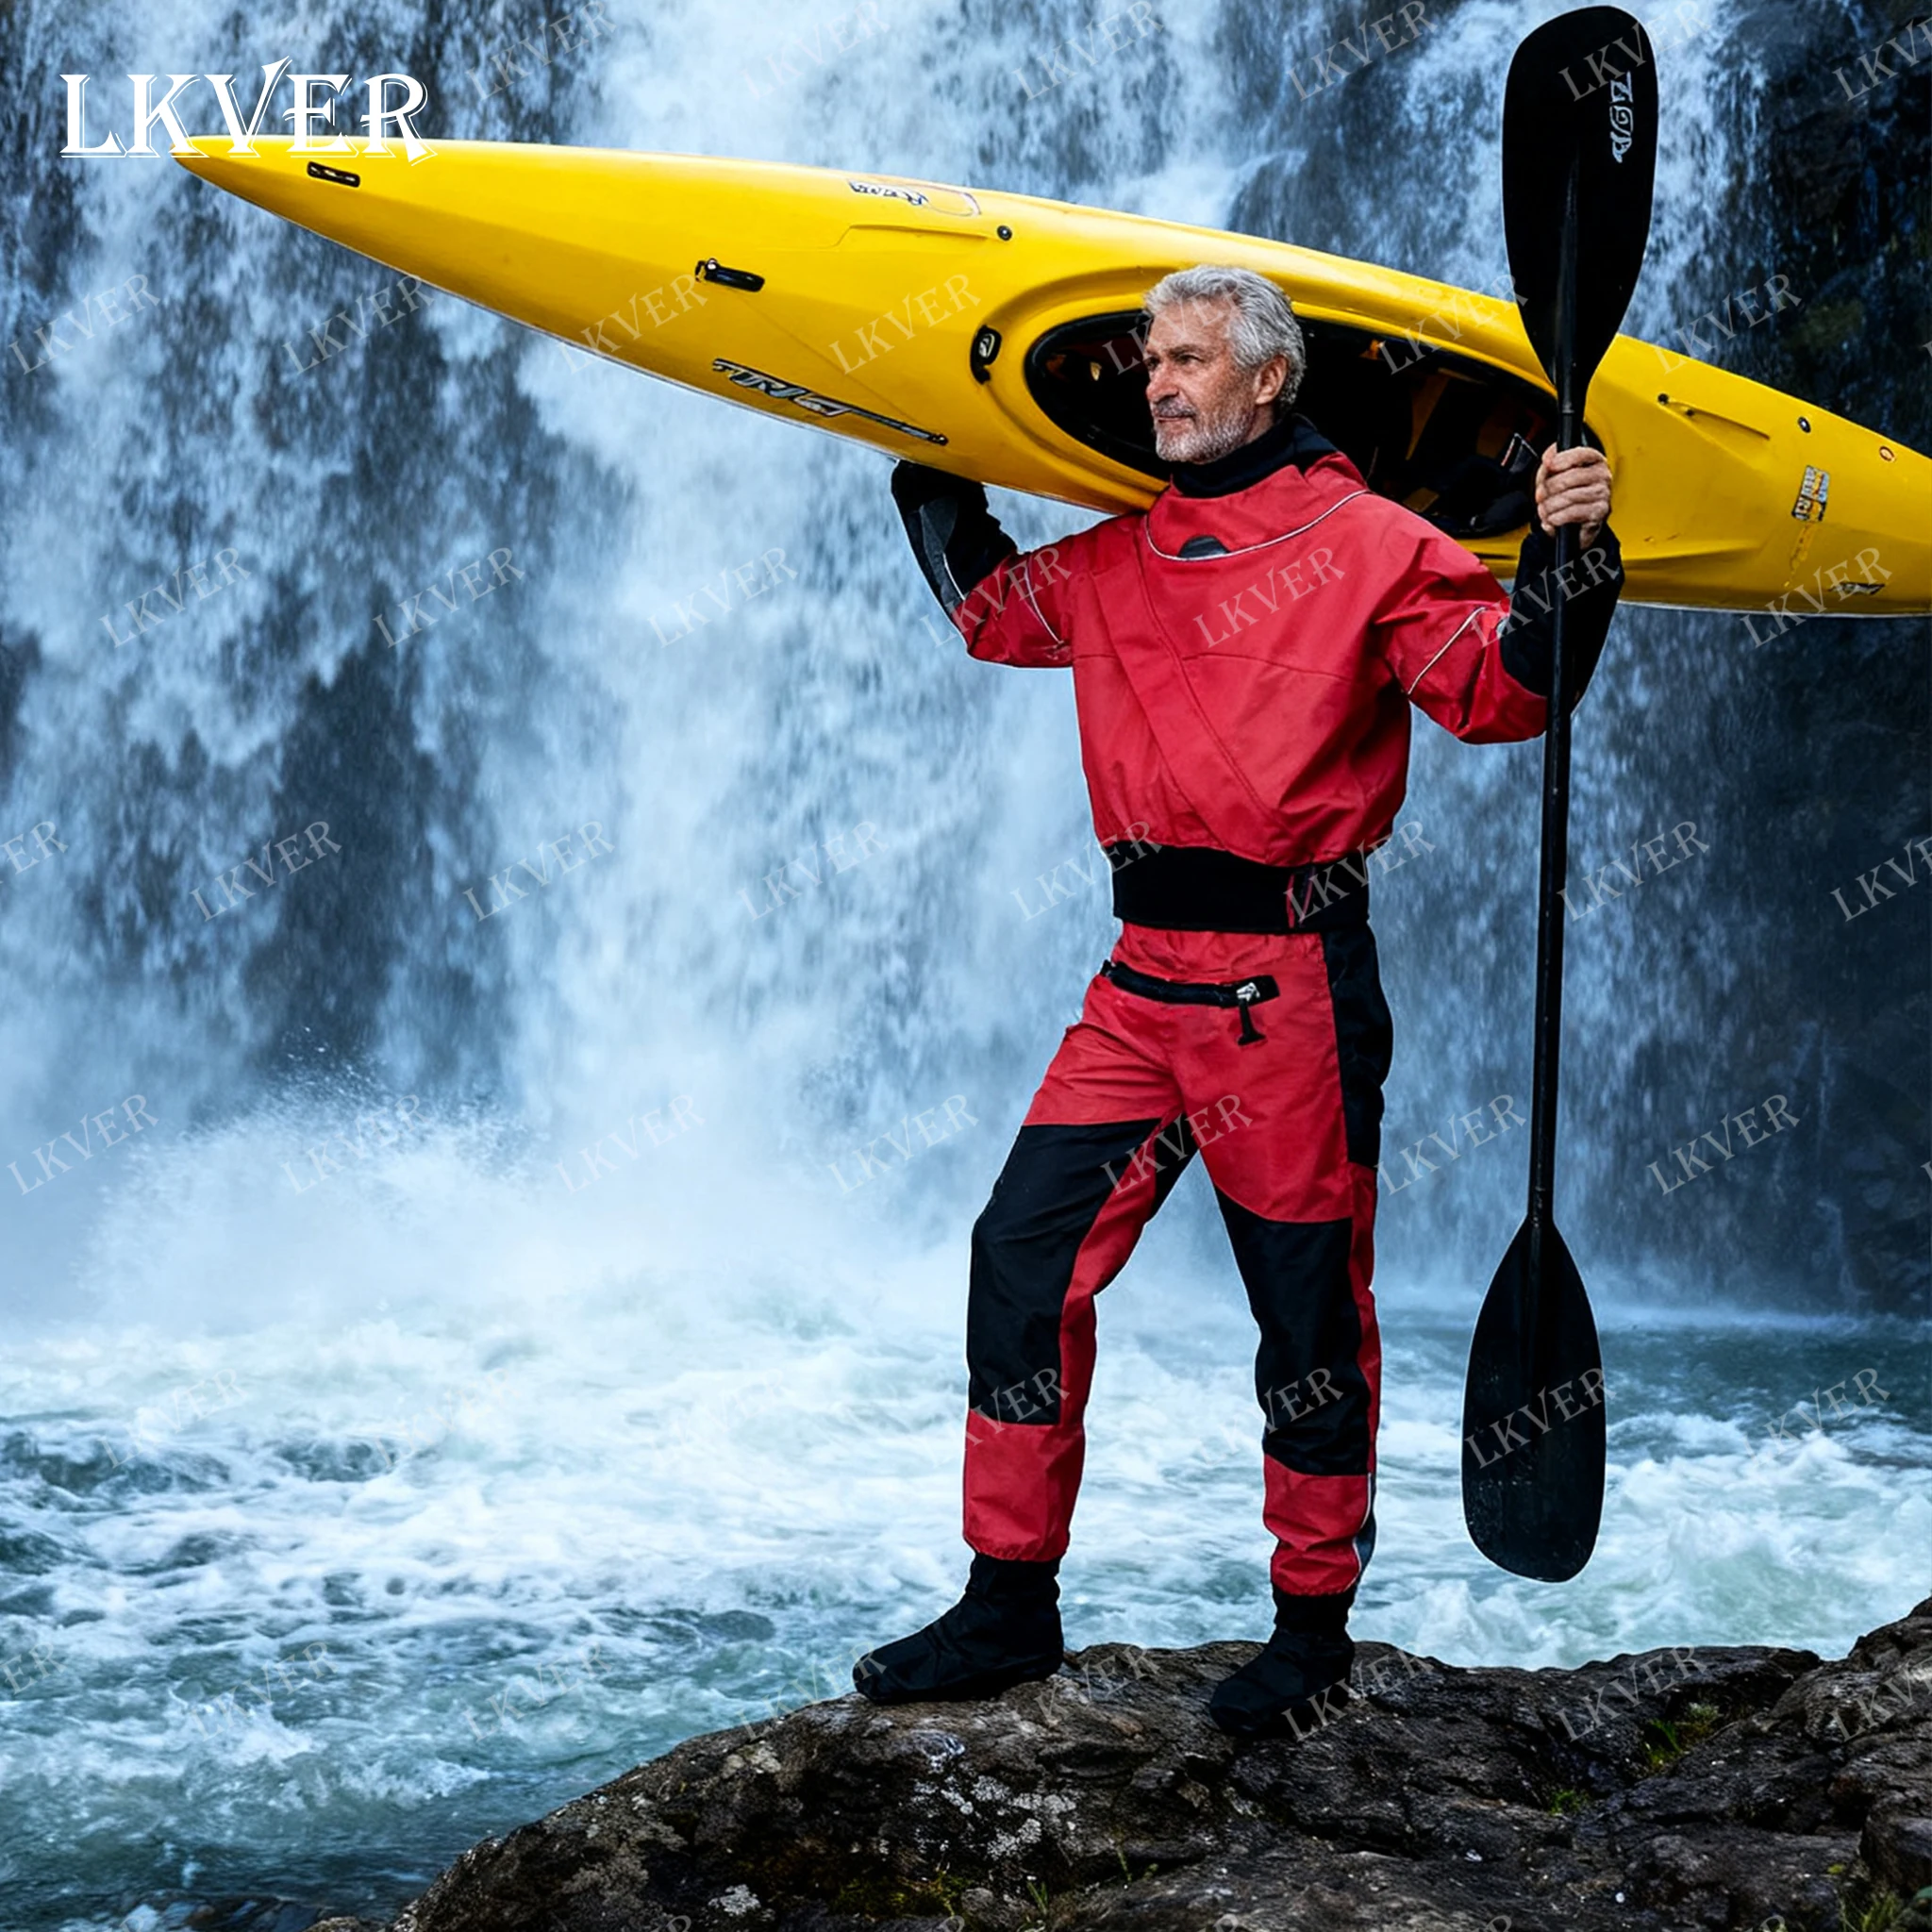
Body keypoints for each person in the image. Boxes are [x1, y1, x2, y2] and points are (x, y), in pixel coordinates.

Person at [855, 264, 1620, 1738]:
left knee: (1308, 1320)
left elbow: (1505, 691)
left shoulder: (1377, 545)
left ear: (1271, 380)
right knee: (1020, 1261)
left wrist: (1569, 560)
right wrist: (916, 440)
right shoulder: (1116, 556)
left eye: (1191, 358)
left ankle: (1312, 1630)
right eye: (1151, 361)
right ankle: (1010, 1598)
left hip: (1295, 990)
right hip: (1138, 990)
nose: (1159, 381)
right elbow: (985, 608)